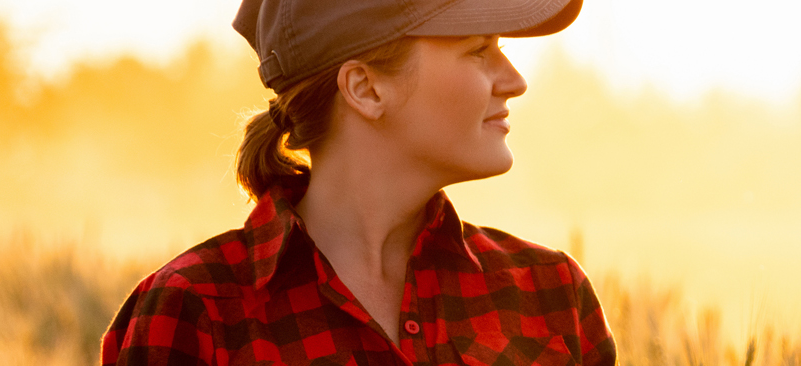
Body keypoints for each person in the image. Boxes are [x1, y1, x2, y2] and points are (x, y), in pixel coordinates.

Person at [99, 0, 613, 364]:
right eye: (478, 50)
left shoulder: (551, 293)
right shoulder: (195, 310)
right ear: (365, 88)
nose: (515, 80)